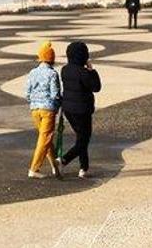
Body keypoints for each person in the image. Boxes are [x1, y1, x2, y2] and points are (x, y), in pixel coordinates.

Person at [57, 41, 101, 178]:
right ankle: (63, 160)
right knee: (84, 140)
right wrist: (92, 70)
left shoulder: (64, 70)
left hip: (69, 109)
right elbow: (96, 87)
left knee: (81, 137)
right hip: (82, 110)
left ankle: (84, 168)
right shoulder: (83, 73)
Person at [24, 41, 61, 179]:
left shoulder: (32, 73)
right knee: (45, 138)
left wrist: (33, 101)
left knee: (46, 139)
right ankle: (34, 169)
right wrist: (57, 106)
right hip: (48, 109)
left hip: (34, 109)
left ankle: (55, 167)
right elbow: (55, 94)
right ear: (52, 59)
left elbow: (27, 93)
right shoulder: (52, 74)